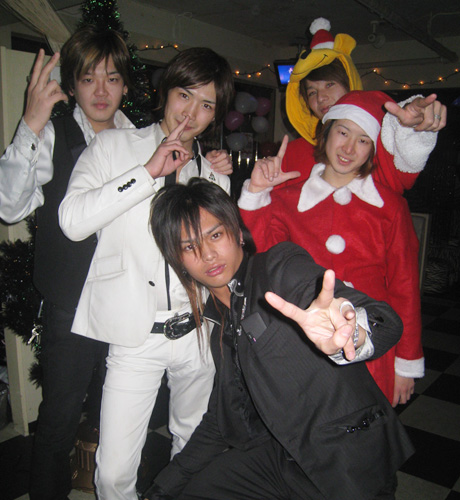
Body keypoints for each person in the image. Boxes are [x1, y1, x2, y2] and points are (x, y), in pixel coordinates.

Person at [143, 177, 413, 500]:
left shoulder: (277, 268)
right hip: (281, 459)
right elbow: (221, 418)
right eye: (189, 247)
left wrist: (350, 334)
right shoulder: (220, 322)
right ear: (179, 261)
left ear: (237, 233)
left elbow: (385, 322)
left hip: (347, 459)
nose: (208, 255)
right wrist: (162, 488)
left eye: (215, 235)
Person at [58, 47, 234, 500]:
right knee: (114, 473)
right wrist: (148, 171)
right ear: (165, 92)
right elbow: (72, 221)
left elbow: (223, 257)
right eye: (184, 95)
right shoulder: (113, 147)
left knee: (193, 452)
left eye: (207, 104)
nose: (191, 113)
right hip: (136, 336)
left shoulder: (211, 174)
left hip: (198, 332)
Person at [0, 25, 139, 499]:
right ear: (73, 84)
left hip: (126, 299)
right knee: (58, 420)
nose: (101, 91)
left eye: (112, 78)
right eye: (88, 78)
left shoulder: (141, 139)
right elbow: (9, 206)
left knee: (118, 415)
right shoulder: (53, 134)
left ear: (125, 85)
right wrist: (30, 124)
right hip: (70, 303)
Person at [239, 90, 424, 407]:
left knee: (365, 426)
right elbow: (268, 258)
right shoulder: (287, 199)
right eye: (343, 132)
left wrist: (405, 361)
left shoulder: (391, 207)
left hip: (369, 337)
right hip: (303, 337)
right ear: (326, 134)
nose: (349, 148)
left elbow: (404, 287)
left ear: (373, 149)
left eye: (363, 140)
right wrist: (256, 192)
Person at [282, 17, 446, 194]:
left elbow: (404, 177)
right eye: (312, 92)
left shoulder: (380, 144)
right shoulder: (291, 153)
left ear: (350, 83)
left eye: (330, 84)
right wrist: (261, 186)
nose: (321, 97)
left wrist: (410, 128)